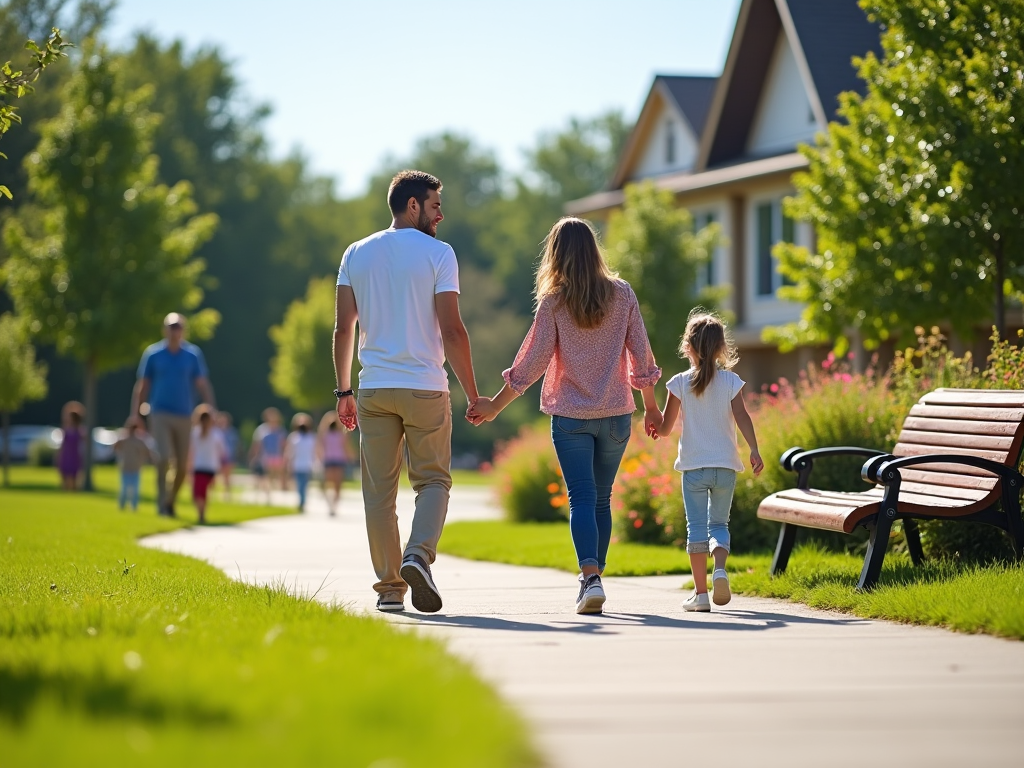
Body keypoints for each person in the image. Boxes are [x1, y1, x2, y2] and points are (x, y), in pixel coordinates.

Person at [469, 217, 662, 615]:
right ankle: (596, 579)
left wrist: (494, 406)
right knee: (602, 499)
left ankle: (590, 578)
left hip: (571, 417)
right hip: (616, 416)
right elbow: (641, 355)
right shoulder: (623, 294)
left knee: (582, 498)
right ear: (594, 251)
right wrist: (652, 406)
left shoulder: (554, 302)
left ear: (555, 255)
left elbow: (531, 363)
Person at [334, 169, 480, 614]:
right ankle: (418, 554)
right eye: (435, 205)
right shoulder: (439, 254)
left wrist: (343, 392)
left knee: (378, 493)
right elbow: (452, 330)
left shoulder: (356, 253)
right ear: (412, 205)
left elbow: (344, 328)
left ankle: (391, 591)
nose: (441, 214)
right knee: (433, 480)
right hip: (424, 388)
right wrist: (474, 394)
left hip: (374, 388)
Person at [652, 310, 764, 612]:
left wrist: (653, 425)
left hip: (693, 469)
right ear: (720, 349)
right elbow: (742, 416)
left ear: (687, 346)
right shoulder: (730, 382)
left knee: (697, 528)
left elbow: (665, 428)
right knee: (720, 524)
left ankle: (701, 595)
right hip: (726, 466)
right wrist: (753, 449)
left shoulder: (679, 384)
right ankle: (720, 570)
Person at [131, 313, 216, 517]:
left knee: (182, 465)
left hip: (185, 415)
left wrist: (212, 407)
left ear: (183, 330)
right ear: (165, 329)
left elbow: (202, 383)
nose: (174, 331)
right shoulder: (153, 354)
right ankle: (161, 504)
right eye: (171, 327)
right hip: (159, 413)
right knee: (162, 457)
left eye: (178, 327)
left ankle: (170, 500)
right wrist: (135, 414)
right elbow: (143, 386)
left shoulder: (192, 355)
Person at [189, 404, 225, 524]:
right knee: (203, 492)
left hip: (199, 467)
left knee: (197, 492)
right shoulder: (216, 434)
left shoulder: (195, 433)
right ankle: (202, 513)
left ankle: (201, 514)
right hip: (210, 468)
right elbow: (222, 452)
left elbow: (190, 452)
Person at [114, 418, 155, 511]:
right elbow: (115, 447)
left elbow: (147, 452)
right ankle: (122, 506)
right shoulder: (124, 440)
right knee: (124, 489)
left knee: (135, 490)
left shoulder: (139, 441)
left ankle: (134, 507)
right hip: (125, 468)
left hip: (136, 468)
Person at [249, 408, 286, 501]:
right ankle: (268, 493)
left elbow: (284, 444)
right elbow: (257, 444)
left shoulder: (280, 430)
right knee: (266, 475)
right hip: (266, 456)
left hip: (277, 456)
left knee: (275, 476)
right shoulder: (262, 430)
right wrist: (254, 455)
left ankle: (273, 491)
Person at [317, 412, 350, 516]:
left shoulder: (342, 434)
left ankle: (334, 506)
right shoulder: (325, 434)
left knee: (337, 485)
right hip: (329, 460)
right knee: (326, 483)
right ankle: (330, 503)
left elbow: (346, 446)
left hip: (339, 460)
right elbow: (321, 430)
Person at [286, 413, 317, 511]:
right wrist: (288, 463)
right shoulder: (293, 437)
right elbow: (289, 451)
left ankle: (302, 501)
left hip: (307, 465)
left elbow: (314, 451)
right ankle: (302, 501)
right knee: (299, 484)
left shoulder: (311, 437)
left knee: (303, 484)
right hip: (297, 464)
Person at [57, 401, 85, 491]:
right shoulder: (66, 429)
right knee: (64, 476)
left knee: (74, 477)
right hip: (66, 454)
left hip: (75, 455)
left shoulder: (79, 430)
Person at [216, 412, 240, 499]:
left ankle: (227, 493)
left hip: (229, 456)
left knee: (227, 476)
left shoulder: (232, 432)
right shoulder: (216, 432)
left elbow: (236, 445)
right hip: (218, 457)